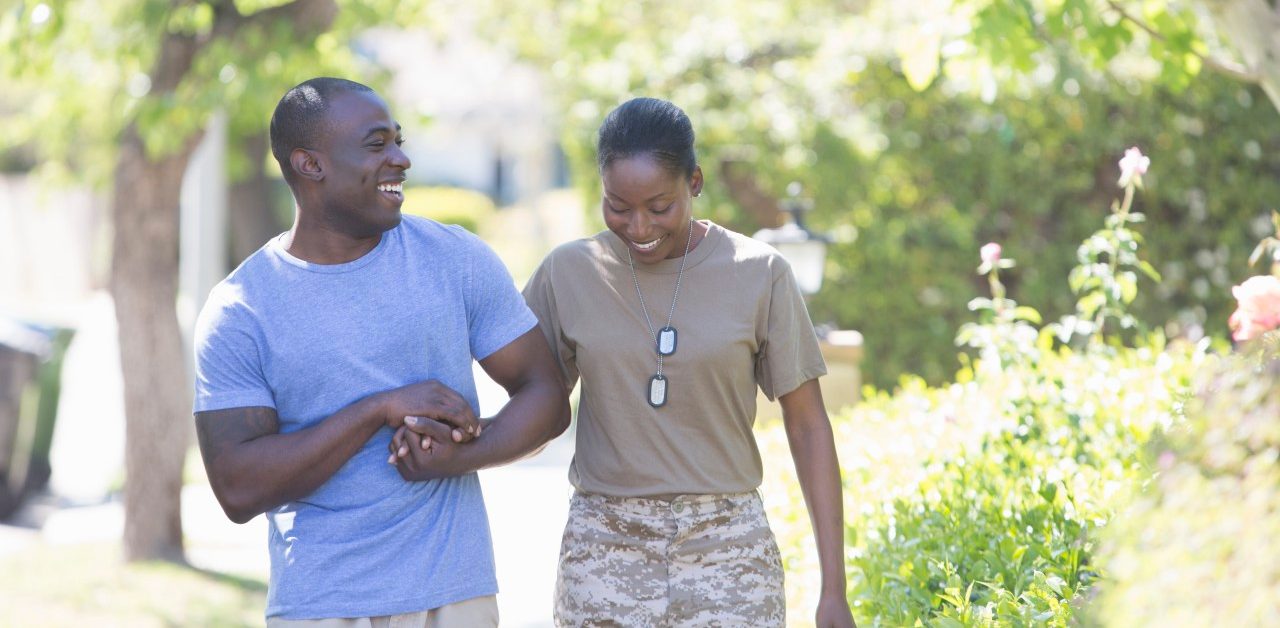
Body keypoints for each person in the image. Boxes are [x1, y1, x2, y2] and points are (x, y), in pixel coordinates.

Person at [192, 77, 570, 627]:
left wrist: (460, 456)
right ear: (310, 164)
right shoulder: (241, 309)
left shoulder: (454, 258)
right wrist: (378, 409)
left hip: (454, 596)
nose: (401, 159)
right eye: (377, 145)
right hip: (321, 606)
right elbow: (237, 486)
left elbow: (547, 395)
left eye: (398, 139)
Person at [521, 97, 855, 627]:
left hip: (730, 552)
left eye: (659, 206)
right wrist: (456, 437)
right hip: (604, 549)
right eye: (617, 206)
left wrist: (833, 589)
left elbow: (809, 426)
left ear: (694, 182)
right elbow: (531, 408)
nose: (637, 226)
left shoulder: (758, 272)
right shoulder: (569, 272)